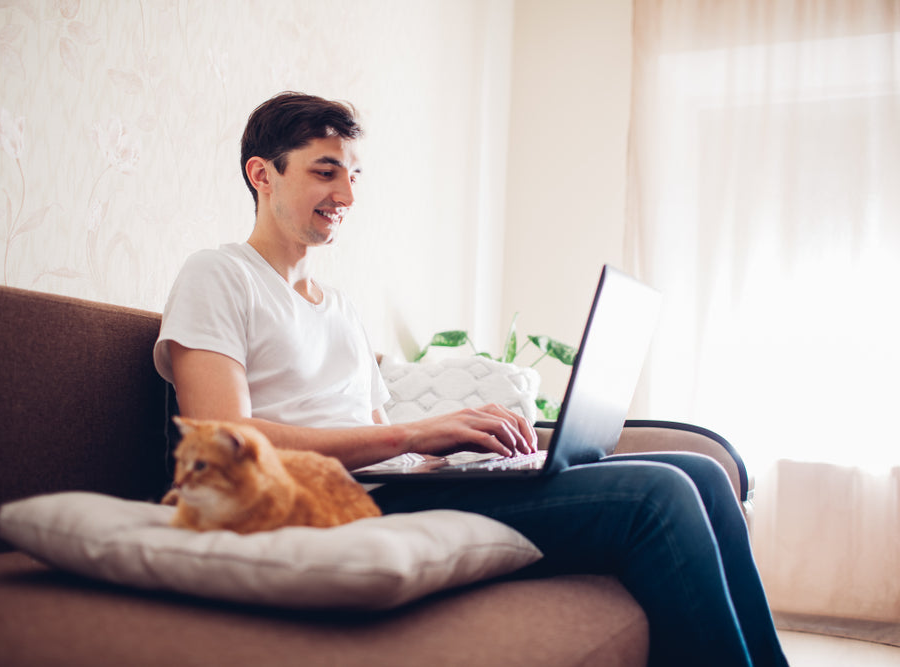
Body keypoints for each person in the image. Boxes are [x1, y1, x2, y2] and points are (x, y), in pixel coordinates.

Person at [153, 91, 789, 667]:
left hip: (392, 486)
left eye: (353, 175)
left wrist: (450, 456)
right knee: (660, 497)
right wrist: (413, 436)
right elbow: (221, 435)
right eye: (325, 171)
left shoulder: (340, 306)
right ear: (261, 174)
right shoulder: (219, 275)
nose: (347, 195)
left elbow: (377, 432)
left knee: (702, 473)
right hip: (331, 502)